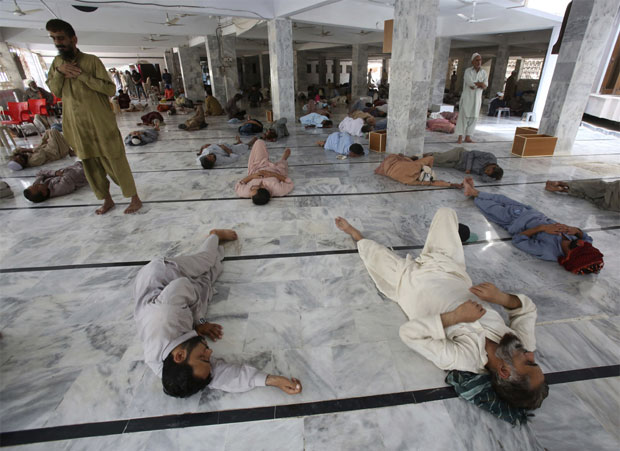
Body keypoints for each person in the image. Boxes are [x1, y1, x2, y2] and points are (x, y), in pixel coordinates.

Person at [334, 209, 549, 410]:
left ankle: (355, 234)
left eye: (529, 363)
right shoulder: (520, 343)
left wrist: (455, 317)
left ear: (504, 370)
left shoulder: (465, 357)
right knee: (446, 213)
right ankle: (456, 237)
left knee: (372, 253)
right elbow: (527, 310)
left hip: (407, 281)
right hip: (448, 269)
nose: (531, 354)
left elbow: (409, 334)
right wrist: (500, 297)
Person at [134, 229, 303, 398]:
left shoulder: (166, 314)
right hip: (173, 299)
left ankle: (214, 235)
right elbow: (220, 377)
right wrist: (271, 380)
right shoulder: (167, 368)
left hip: (161, 276)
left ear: (179, 355)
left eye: (203, 357)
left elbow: (182, 285)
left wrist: (200, 321)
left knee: (205, 261)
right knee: (207, 280)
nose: (210, 354)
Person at [45, 19, 142, 214]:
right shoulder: (57, 64)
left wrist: (81, 75)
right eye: (54, 39)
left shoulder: (91, 61)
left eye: (61, 38)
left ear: (73, 39)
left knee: (115, 160)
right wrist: (59, 72)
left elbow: (110, 89)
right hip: (76, 124)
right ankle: (107, 200)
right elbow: (55, 91)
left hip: (100, 122)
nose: (57, 43)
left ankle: (134, 198)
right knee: (90, 165)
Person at [463, 177, 604, 274]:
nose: (581, 242)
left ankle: (472, 193)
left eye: (579, 246)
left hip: (512, 221)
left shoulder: (548, 251)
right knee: (502, 198)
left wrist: (542, 228)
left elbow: (518, 240)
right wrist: (577, 231)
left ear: (570, 255)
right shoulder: (580, 242)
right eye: (583, 244)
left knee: (489, 207)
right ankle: (474, 191)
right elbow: (587, 238)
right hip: (531, 212)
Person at [235, 140, 293, 205]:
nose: (251, 188)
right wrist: (273, 174)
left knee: (259, 142)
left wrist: (252, 176)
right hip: (276, 170)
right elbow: (289, 182)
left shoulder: (246, 192)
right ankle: (284, 158)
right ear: (263, 188)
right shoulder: (278, 190)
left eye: (251, 190)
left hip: (258, 166)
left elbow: (239, 184)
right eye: (254, 189)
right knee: (283, 166)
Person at [455, 53, 488, 144]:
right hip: (467, 98)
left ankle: (468, 137)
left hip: (477, 99)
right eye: (477, 60)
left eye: (480, 60)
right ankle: (460, 137)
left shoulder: (484, 73)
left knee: (474, 117)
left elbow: (485, 85)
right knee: (463, 117)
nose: (479, 62)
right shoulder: (468, 71)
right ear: (472, 61)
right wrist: (480, 84)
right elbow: (470, 84)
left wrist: (479, 84)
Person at [374, 155, 462, 188]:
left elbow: (431, 158)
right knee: (403, 159)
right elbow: (432, 183)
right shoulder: (410, 181)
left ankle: (409, 158)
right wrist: (450, 184)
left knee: (402, 158)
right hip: (389, 166)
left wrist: (428, 167)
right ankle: (408, 158)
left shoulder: (417, 166)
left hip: (390, 163)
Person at [8, 129, 74, 171]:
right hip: (55, 152)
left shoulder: (23, 156)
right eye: (20, 160)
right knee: (53, 132)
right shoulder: (33, 161)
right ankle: (68, 151)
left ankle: (68, 150)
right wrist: (27, 150)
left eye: (16, 158)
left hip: (46, 148)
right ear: (23, 165)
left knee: (47, 132)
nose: (19, 157)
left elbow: (16, 150)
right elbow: (40, 151)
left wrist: (15, 154)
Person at [23, 161, 88, 203]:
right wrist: (59, 172)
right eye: (36, 187)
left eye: (33, 185)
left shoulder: (42, 185)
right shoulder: (59, 189)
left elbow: (40, 173)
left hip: (78, 165)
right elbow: (70, 174)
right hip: (86, 170)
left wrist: (55, 172)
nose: (36, 184)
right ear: (44, 193)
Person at [425, 148, 503, 182]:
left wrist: (495, 178)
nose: (485, 172)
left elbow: (484, 179)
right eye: (488, 170)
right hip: (460, 155)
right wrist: (468, 168)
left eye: (487, 173)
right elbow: (472, 153)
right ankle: (423, 156)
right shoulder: (490, 157)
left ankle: (431, 156)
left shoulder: (489, 173)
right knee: (441, 158)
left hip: (458, 166)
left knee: (437, 164)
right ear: (494, 166)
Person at [545, 179, 619, 212]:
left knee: (593, 186)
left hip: (612, 189)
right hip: (611, 204)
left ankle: (562, 184)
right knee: (587, 196)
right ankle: (563, 189)